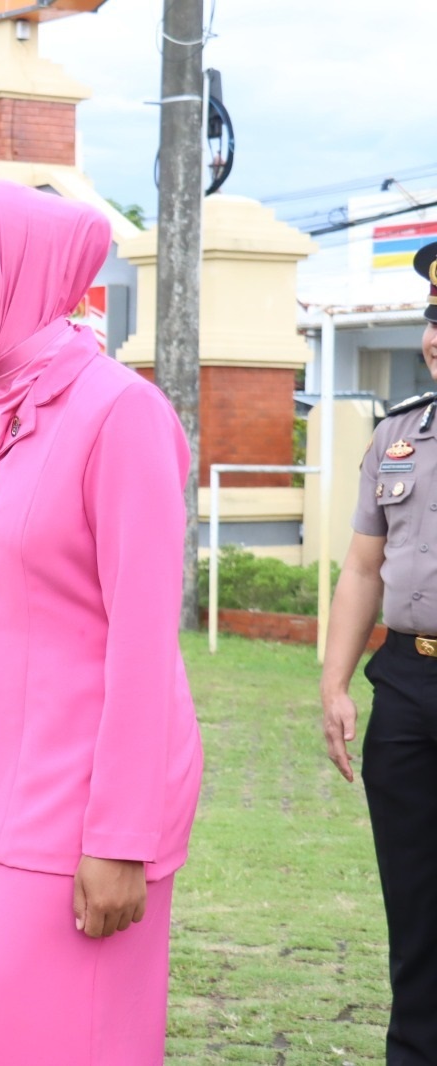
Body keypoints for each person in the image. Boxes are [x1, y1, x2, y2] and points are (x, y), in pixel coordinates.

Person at [0, 180, 203, 1064]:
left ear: (1, 280)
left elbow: (144, 646)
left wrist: (122, 839)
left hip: (75, 818)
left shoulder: (121, 414)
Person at [320, 239, 437, 1066]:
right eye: (433, 320)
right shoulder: (399, 437)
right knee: (414, 899)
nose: (435, 338)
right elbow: (363, 568)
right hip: (405, 685)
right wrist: (335, 685)